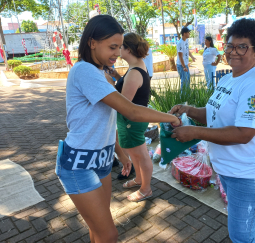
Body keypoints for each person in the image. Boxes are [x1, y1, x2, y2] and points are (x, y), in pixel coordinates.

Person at [56, 15, 180, 243]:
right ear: (92, 42)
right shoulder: (84, 71)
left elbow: (106, 121)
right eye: (112, 47)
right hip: (78, 164)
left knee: (98, 230)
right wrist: (169, 117)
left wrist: (121, 154)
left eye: (119, 47)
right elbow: (130, 110)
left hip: (102, 161)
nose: (116, 53)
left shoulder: (100, 72)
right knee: (109, 234)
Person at [170, 18, 255, 243]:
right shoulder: (229, 79)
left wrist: (195, 133)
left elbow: (243, 133)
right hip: (230, 169)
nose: (233, 52)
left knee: (241, 235)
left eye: (242, 47)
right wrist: (189, 110)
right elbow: (213, 114)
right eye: (230, 46)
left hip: (251, 173)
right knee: (247, 229)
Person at [109, 33, 153, 202]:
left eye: (120, 46)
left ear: (127, 49)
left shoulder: (135, 71)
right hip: (133, 119)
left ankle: (145, 189)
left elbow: (124, 102)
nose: (118, 50)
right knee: (135, 154)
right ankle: (140, 180)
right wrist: (118, 77)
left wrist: (108, 86)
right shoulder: (136, 67)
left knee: (141, 155)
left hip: (132, 120)